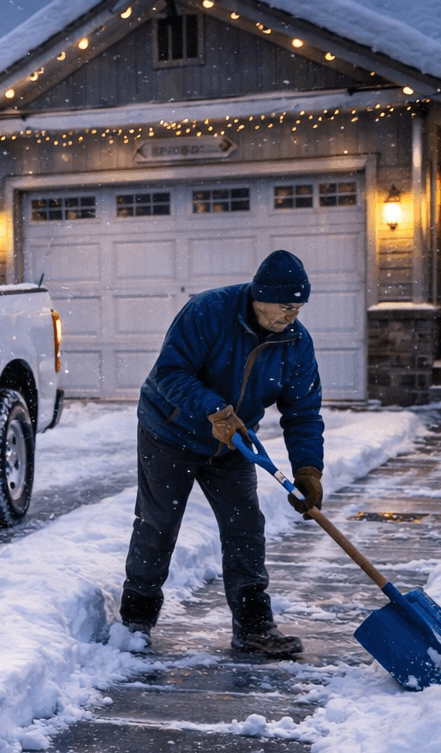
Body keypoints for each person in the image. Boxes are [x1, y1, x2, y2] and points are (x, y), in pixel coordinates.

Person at [118, 250, 324, 657]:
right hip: (169, 433)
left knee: (245, 526)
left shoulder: (295, 343)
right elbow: (170, 373)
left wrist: (308, 469)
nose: (292, 316)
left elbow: (303, 411)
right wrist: (212, 408)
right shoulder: (209, 311)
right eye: (285, 307)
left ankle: (253, 626)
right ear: (260, 298)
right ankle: (136, 620)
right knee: (158, 524)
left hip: (232, 444)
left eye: (298, 308)